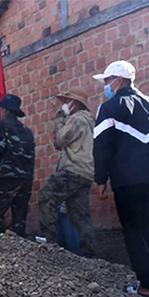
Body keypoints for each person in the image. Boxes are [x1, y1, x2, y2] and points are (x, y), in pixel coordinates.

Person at [92, 60, 149, 297]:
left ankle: (147, 286)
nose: (106, 86)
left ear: (118, 80)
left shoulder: (110, 107)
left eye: (108, 81)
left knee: (132, 229)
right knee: (148, 223)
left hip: (127, 178)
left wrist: (101, 179)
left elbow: (102, 145)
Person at [38, 89, 97, 258]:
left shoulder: (77, 119)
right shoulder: (90, 121)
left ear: (76, 103)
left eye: (67, 101)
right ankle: (90, 254)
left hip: (72, 170)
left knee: (46, 196)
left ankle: (50, 242)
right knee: (80, 214)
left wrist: (60, 119)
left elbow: (59, 140)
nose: (63, 105)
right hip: (85, 173)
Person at [0, 94, 35, 237]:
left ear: (5, 109)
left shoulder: (1, 125)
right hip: (26, 179)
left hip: (8, 176)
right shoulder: (28, 131)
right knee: (19, 218)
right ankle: (22, 250)